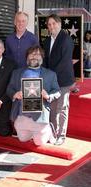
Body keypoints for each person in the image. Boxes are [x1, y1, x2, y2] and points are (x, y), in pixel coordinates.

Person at [6, 45, 61, 146]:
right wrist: (15, 94)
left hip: (40, 116)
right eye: (31, 54)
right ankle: (32, 131)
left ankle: (48, 129)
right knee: (22, 139)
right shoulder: (17, 73)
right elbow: (9, 89)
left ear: (42, 58)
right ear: (27, 57)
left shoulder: (50, 74)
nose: (34, 57)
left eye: (38, 54)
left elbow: (57, 91)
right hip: (22, 114)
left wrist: (48, 96)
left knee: (38, 142)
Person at [43, 14, 75, 145]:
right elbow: (44, 60)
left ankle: (61, 135)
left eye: (53, 23)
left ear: (59, 24)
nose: (51, 27)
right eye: (49, 25)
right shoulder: (46, 41)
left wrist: (50, 76)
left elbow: (64, 62)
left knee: (62, 108)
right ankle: (52, 133)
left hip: (63, 80)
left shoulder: (66, 39)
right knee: (51, 107)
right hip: (50, 80)